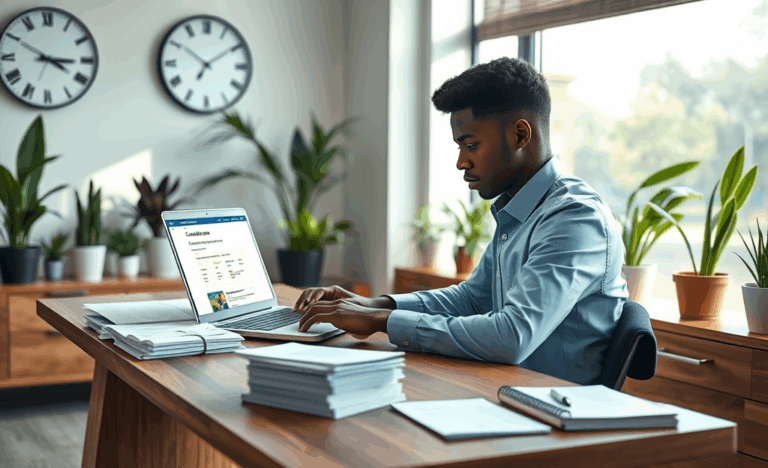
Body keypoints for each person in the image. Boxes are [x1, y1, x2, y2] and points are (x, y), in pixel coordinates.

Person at [294, 57, 627, 385]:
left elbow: (512, 336)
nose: (461, 162)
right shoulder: (519, 208)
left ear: (521, 135)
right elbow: (472, 299)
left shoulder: (574, 218)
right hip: (505, 392)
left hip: (553, 417)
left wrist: (383, 320)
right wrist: (374, 304)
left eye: (471, 145)